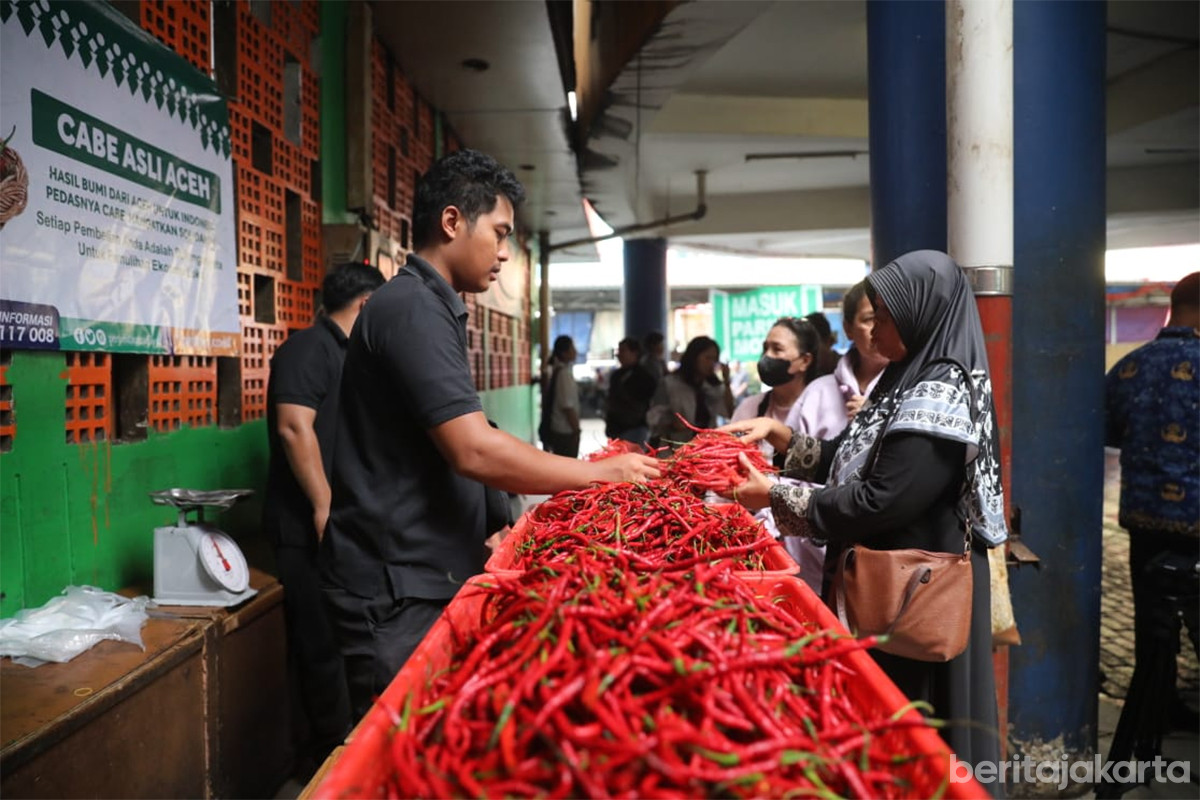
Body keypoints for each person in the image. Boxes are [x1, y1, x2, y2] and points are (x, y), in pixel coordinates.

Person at [320, 150, 661, 719]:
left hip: (419, 576)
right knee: (404, 750)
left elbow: (453, 435)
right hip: (395, 587)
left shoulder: (429, 306)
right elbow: (472, 447)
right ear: (452, 222)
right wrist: (597, 474)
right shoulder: (412, 309)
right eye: (500, 233)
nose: (505, 253)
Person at [721, 250, 1005, 774]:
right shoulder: (902, 380)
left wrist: (776, 497)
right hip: (888, 587)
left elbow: (881, 498)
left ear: (923, 314)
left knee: (916, 730)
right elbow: (848, 461)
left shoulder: (939, 391)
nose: (872, 332)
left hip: (917, 592)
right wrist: (780, 436)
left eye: (885, 317)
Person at [263, 262, 384, 772]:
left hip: (342, 529)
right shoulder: (307, 349)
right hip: (307, 530)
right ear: (364, 304)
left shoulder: (350, 354)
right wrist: (323, 505)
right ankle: (327, 762)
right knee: (320, 648)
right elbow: (294, 427)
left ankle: (348, 748)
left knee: (344, 642)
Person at [1105, 271, 1199, 727]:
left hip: (1143, 520)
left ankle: (1159, 704)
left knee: (1153, 622)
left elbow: (1107, 432)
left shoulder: (1130, 366)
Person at [729, 317, 824, 591]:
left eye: (777, 350)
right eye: (765, 348)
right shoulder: (750, 408)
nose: (766, 357)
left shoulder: (824, 407)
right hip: (759, 543)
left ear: (804, 361)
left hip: (813, 546)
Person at [787, 281, 890, 440]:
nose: (879, 328)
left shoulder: (913, 387)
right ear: (848, 329)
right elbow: (788, 453)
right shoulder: (817, 393)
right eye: (869, 319)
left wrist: (879, 420)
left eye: (887, 318)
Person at [647, 335, 734, 448]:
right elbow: (653, 417)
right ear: (694, 357)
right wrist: (672, 423)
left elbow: (729, 411)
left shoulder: (712, 387)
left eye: (714, 359)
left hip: (705, 448)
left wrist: (726, 381)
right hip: (675, 448)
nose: (711, 363)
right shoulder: (670, 383)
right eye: (707, 358)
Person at [604, 337, 656, 444]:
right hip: (615, 428)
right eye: (618, 351)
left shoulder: (644, 376)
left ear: (635, 352)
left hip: (635, 428)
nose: (619, 354)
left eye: (623, 350)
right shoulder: (617, 375)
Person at [541, 335, 582, 457]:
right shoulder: (564, 374)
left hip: (560, 430)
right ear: (564, 353)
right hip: (565, 431)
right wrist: (576, 430)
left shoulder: (558, 371)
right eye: (572, 348)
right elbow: (567, 406)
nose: (576, 351)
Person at [804, 311, 840, 379]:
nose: (808, 356)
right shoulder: (806, 375)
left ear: (829, 342)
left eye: (812, 348)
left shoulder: (850, 369)